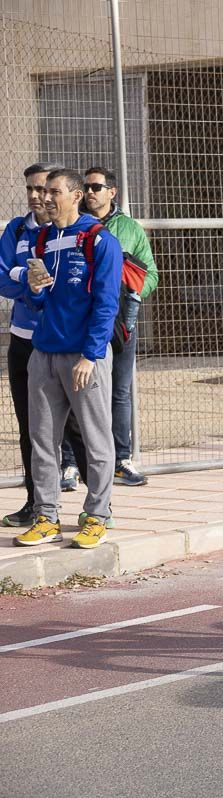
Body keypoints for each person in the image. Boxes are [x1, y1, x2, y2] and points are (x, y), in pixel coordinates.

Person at [12, 168, 122, 549]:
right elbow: (40, 300)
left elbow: (107, 303)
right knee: (42, 439)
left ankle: (97, 515)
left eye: (53, 192)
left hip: (83, 357)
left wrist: (90, 356)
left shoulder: (99, 240)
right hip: (44, 353)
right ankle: (46, 516)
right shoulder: (42, 239)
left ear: (75, 196)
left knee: (95, 439)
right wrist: (35, 289)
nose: (44, 198)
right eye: (43, 192)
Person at [59, 166, 159, 490]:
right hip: (80, 324)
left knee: (120, 391)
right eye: (86, 187)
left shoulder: (129, 229)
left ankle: (121, 460)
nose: (90, 192)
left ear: (112, 192)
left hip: (118, 325)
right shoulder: (73, 224)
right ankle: (71, 464)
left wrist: (132, 293)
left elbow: (152, 275)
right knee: (76, 390)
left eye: (96, 187)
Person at [0, 162, 61, 527]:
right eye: (31, 190)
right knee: (29, 426)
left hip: (58, 341)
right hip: (23, 341)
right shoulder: (17, 229)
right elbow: (2, 279)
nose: (37, 196)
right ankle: (35, 502)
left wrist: (22, 277)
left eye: (44, 189)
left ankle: (97, 508)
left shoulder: (70, 230)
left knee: (73, 428)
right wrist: (28, 283)